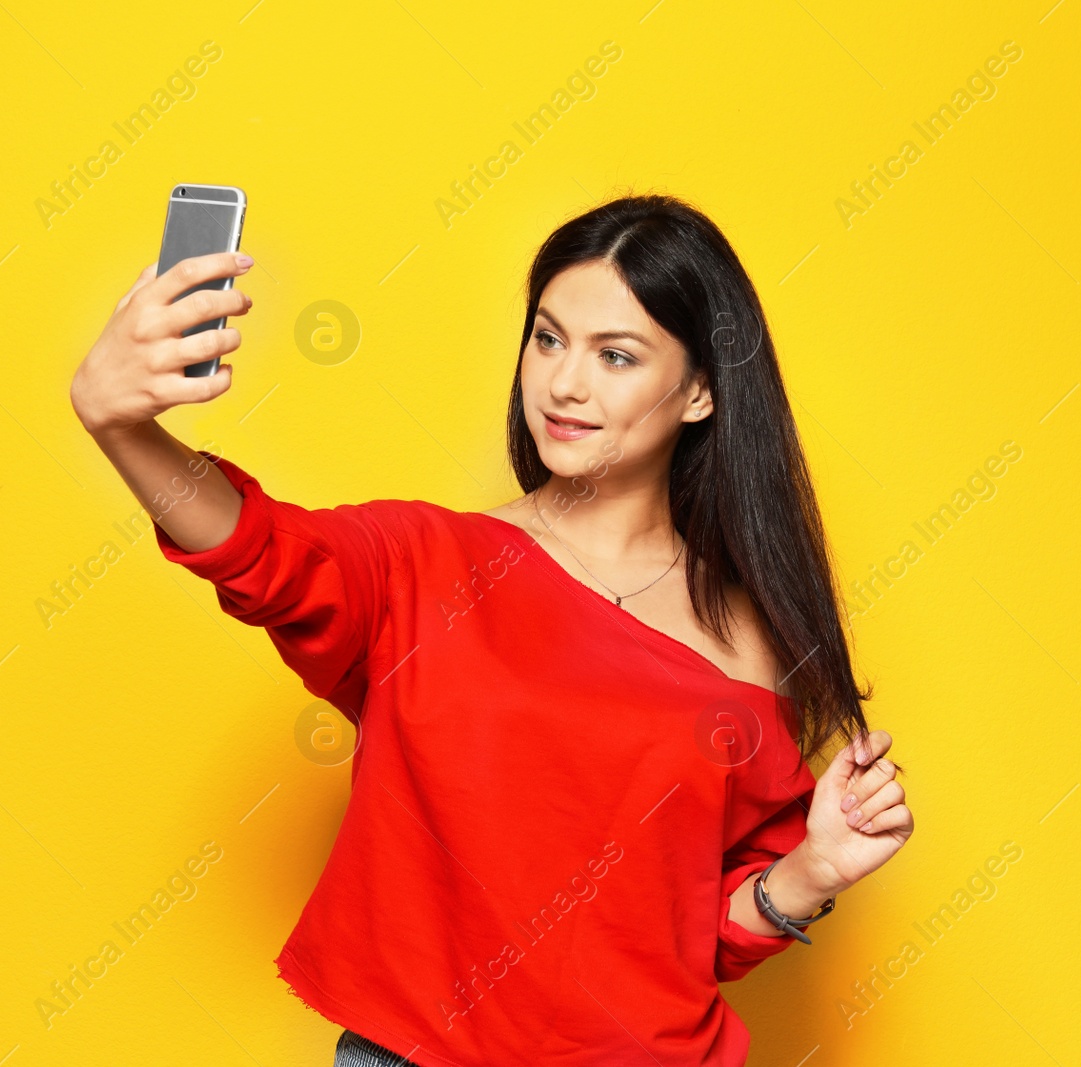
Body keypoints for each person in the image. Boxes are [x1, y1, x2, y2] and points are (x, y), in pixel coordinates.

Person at [70, 194, 913, 1066]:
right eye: (547, 339)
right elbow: (262, 550)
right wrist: (122, 426)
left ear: (701, 390)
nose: (564, 383)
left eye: (615, 355)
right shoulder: (428, 563)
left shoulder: (755, 646)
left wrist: (814, 870)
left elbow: (687, 938)